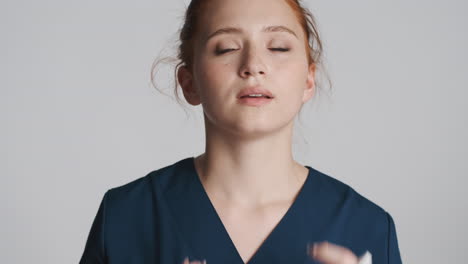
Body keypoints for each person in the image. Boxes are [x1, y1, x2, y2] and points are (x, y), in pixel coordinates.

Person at [79, 0, 403, 263]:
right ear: (189, 83)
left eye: (278, 47)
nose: (253, 65)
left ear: (308, 80)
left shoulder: (368, 228)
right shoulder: (126, 217)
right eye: (227, 48)